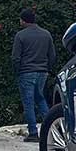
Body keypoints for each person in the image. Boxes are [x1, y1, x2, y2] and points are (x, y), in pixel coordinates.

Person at [12, 8, 56, 143]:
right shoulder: (46, 34)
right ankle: (53, 130)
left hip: (26, 72)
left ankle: (33, 132)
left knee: (28, 103)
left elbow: (15, 57)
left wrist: (17, 71)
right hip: (42, 72)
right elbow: (52, 55)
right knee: (40, 99)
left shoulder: (20, 35)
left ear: (23, 20)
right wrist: (47, 68)